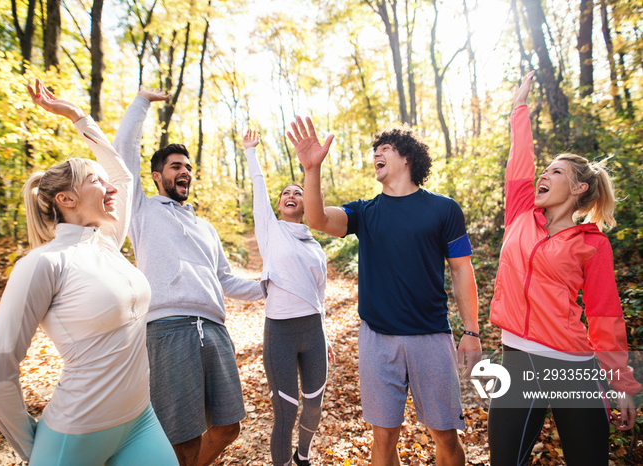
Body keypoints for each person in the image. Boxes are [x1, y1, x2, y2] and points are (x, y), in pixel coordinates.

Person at [0, 80, 178, 465]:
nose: (110, 188)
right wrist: (36, 450)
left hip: (140, 421)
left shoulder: (105, 242)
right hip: (75, 435)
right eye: (94, 181)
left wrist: (77, 117)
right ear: (66, 200)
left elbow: (123, 178)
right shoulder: (43, 264)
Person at [287, 117, 481, 466]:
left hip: (431, 336)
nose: (376, 154)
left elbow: (461, 270)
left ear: (407, 157)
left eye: (385, 149)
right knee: (383, 436)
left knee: (445, 436)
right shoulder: (365, 212)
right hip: (377, 339)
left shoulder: (444, 209)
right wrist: (311, 169)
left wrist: (471, 331)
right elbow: (316, 219)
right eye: (374, 150)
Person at [487, 71, 641, 465]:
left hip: (571, 366)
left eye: (557, 171)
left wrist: (621, 384)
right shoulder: (520, 213)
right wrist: (519, 107)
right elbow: (520, 159)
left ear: (578, 189)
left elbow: (606, 315)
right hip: (517, 359)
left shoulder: (592, 244)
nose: (544, 173)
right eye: (546, 169)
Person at [112, 90, 264, 466]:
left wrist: (269, 286)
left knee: (229, 427)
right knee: (182, 436)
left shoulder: (206, 228)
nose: (185, 172)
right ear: (156, 176)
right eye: (176, 166)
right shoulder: (142, 211)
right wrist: (143, 102)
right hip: (168, 329)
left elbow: (227, 280)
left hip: (214, 328)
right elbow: (122, 151)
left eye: (188, 167)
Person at [242, 129, 335, 466]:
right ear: (280, 204)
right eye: (286, 193)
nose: (291, 195)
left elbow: (320, 294)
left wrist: (325, 336)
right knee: (286, 410)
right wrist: (251, 152)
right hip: (279, 332)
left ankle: (304, 455)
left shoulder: (315, 247)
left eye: (299, 192)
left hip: (313, 332)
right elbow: (260, 188)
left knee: (314, 402)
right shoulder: (269, 229)